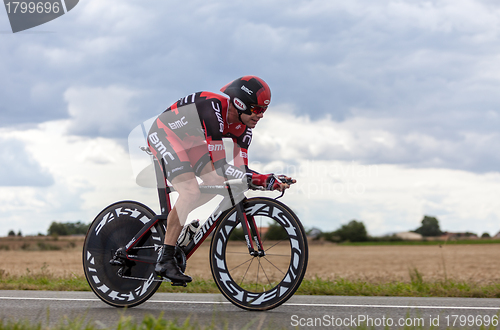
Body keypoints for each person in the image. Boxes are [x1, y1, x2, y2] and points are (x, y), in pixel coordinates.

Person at [147, 76, 294, 283]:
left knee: (216, 184)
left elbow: (241, 170)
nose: (260, 115)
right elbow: (220, 168)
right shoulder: (214, 108)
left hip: (191, 140)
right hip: (165, 133)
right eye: (256, 109)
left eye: (264, 110)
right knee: (191, 190)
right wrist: (261, 179)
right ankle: (165, 258)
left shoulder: (245, 128)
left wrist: (264, 179)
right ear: (240, 103)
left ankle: (180, 222)